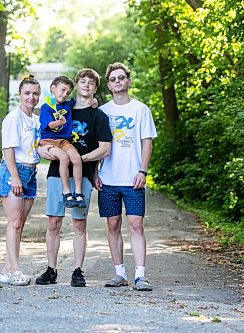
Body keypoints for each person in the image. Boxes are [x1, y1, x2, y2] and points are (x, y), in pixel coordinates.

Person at [36, 68, 112, 287]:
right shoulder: (62, 107)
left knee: (79, 224)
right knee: (53, 222)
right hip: (55, 172)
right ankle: (51, 270)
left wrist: (82, 158)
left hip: (84, 174)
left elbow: (105, 149)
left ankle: (78, 270)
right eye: (82, 81)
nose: (86, 85)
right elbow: (42, 135)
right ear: (76, 85)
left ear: (95, 88)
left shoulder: (98, 115)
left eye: (91, 83)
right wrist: (42, 151)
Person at [95, 62, 157, 291]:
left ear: (128, 81)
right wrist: (94, 173)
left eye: (121, 77)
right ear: (109, 85)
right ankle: (119, 273)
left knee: (136, 224)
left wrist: (143, 170)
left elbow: (147, 142)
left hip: (133, 178)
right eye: (113, 79)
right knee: (112, 224)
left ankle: (140, 275)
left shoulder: (141, 109)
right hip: (108, 178)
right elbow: (96, 146)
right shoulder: (103, 111)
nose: (117, 81)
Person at [0, 74, 41, 286]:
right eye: (27, 93)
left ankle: (6, 270)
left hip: (30, 175)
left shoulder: (35, 120)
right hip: (15, 173)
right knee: (14, 223)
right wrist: (15, 178)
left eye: (35, 94)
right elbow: (8, 150)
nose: (31, 97)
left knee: (19, 224)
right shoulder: (13, 118)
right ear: (20, 94)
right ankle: (15, 271)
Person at [39, 76, 85, 209]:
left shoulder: (68, 104)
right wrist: (59, 122)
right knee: (64, 158)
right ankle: (66, 191)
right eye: (63, 90)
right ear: (53, 89)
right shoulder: (46, 107)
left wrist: (93, 101)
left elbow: (81, 101)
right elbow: (50, 125)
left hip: (64, 141)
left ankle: (78, 191)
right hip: (49, 141)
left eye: (68, 92)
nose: (65, 94)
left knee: (76, 158)